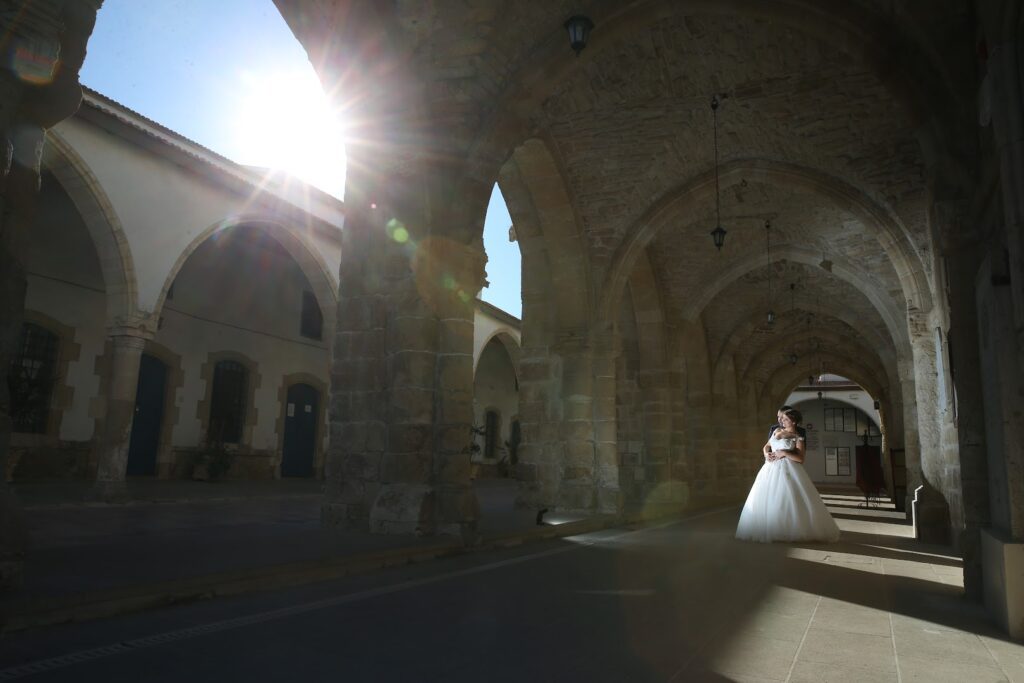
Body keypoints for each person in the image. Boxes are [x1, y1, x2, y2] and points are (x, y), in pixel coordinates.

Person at [736, 407, 840, 543]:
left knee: (785, 500)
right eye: (781, 418)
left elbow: (801, 459)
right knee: (766, 499)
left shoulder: (798, 437)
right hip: (769, 469)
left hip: (788, 470)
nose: (782, 421)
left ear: (794, 421)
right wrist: (766, 454)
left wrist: (784, 453)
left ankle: (787, 530)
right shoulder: (777, 430)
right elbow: (766, 446)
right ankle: (769, 529)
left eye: (785, 419)